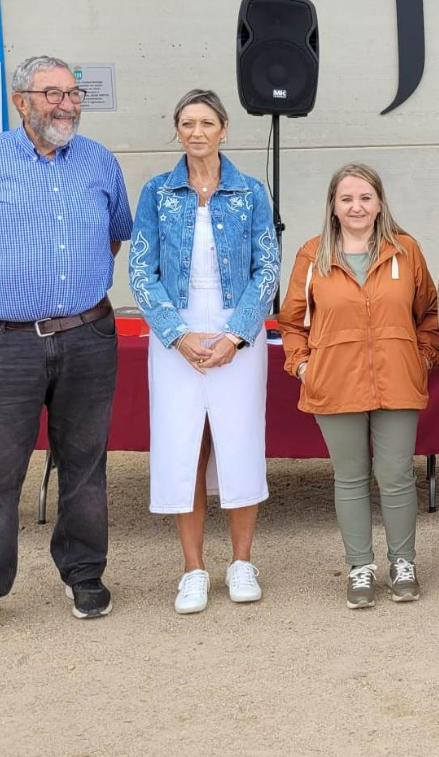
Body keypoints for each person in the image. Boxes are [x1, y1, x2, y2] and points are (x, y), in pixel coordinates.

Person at [0, 55, 132, 646]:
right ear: (21, 101)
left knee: (86, 464)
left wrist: (71, 295)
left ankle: (84, 574)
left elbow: (116, 234)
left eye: (73, 94)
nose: (67, 104)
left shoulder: (99, 163)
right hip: (2, 342)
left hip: (87, 336)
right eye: (52, 94)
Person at [129, 90, 280, 614]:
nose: (197, 132)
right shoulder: (156, 192)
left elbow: (268, 269)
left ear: (224, 129)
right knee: (183, 446)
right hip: (177, 338)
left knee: (238, 443)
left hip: (238, 335)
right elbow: (140, 272)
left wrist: (237, 335)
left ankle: (241, 563)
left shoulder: (251, 192)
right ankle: (193, 569)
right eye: (188, 123)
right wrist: (177, 334)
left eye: (207, 123)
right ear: (177, 130)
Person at [278, 163, 439, 609]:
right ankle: (360, 568)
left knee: (395, 477)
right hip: (335, 383)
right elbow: (292, 321)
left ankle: (403, 562)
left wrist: (423, 356)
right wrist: (302, 366)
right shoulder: (312, 255)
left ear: (379, 203)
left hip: (397, 380)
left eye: (365, 198)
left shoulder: (405, 251)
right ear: (333, 205)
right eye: (347, 198)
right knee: (350, 478)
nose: (357, 206)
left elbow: (430, 313)